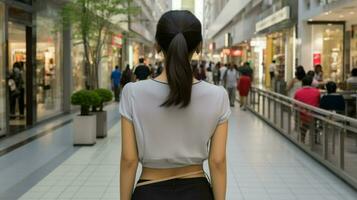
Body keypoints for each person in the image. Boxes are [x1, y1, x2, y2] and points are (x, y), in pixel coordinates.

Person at [119, 10, 230, 200]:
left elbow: (129, 160)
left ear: (157, 46)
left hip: (149, 191)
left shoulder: (132, 93)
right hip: (197, 191)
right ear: (199, 47)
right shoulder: (217, 95)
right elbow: (217, 161)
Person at [294, 76, 321, 143]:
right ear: (311, 83)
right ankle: (314, 139)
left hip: (302, 115)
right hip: (313, 115)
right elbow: (318, 102)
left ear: (302, 83)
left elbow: (295, 104)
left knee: (304, 124)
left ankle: (302, 139)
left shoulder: (298, 92)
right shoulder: (317, 92)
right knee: (314, 123)